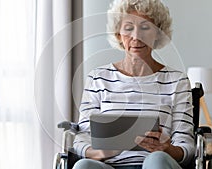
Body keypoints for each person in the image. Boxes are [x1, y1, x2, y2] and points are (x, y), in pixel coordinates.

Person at [73, 0, 194, 168]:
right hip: (110, 165)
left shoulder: (177, 80)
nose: (136, 37)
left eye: (145, 28)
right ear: (118, 35)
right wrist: (99, 153)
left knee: (156, 160)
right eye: (128, 28)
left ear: (158, 33)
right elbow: (82, 138)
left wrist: (167, 149)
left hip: (158, 164)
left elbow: (186, 146)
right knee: (83, 166)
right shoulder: (98, 78)